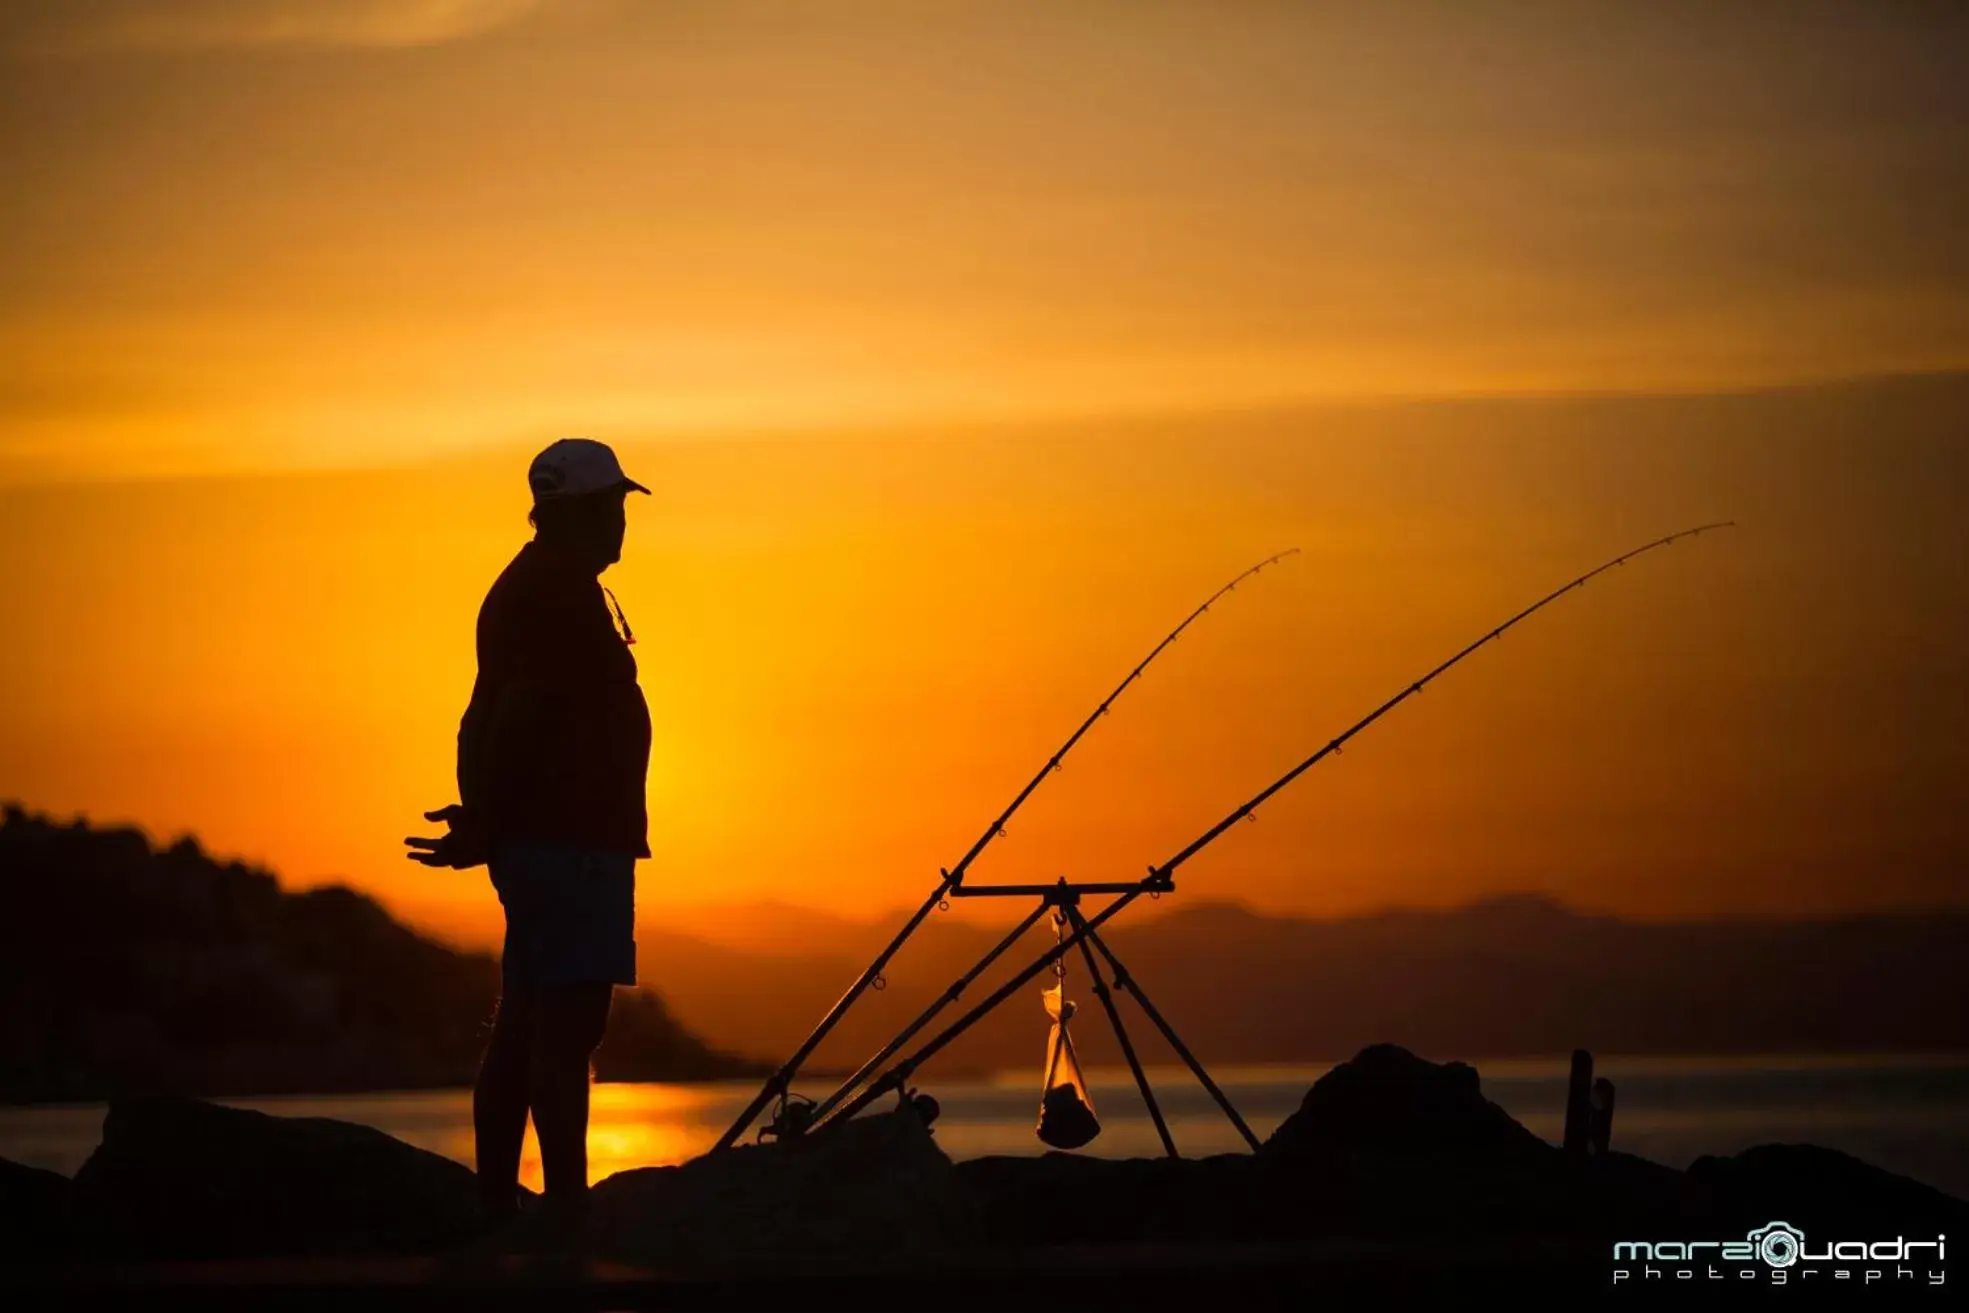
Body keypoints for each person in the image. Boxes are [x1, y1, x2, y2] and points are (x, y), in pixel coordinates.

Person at [405, 437, 653, 1225]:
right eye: (613, 506)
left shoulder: (542, 585)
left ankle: (499, 1209)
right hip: (570, 840)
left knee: (525, 1021)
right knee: (567, 1027)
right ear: (579, 512)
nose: (623, 522)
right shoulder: (554, 594)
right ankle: (566, 1215)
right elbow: (516, 715)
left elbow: (491, 713)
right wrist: (491, 818)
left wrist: (488, 818)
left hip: (554, 837)